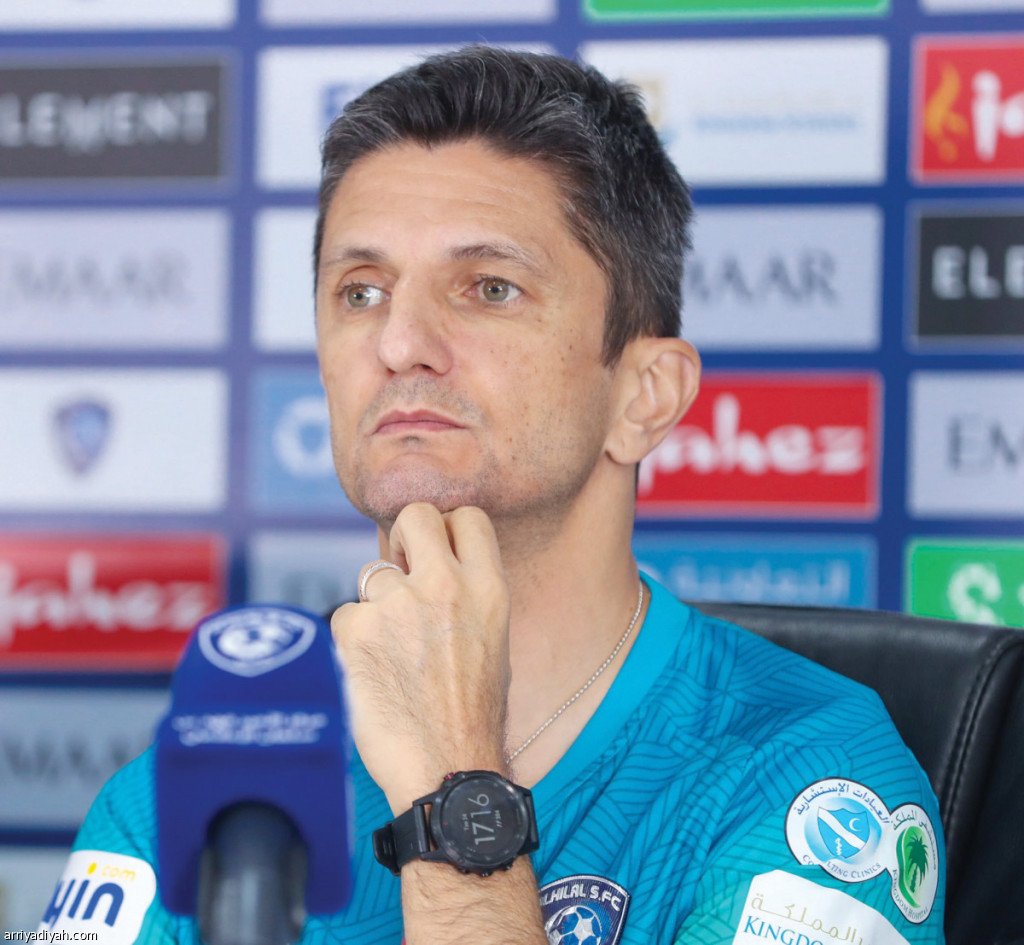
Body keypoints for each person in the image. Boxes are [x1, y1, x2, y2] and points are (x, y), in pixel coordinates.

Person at [52, 46, 945, 943]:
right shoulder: (205, 790)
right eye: (361, 292)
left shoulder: (818, 785)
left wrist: (455, 788)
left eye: (489, 288)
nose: (400, 342)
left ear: (645, 397)